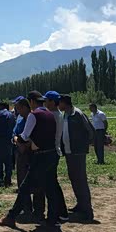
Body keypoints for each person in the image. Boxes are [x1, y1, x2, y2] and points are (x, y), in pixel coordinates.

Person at [0, 93, 62, 228]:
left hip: (40, 156)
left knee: (25, 187)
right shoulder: (50, 114)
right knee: (50, 187)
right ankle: (53, 218)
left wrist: (16, 139)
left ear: (31, 101)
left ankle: (11, 217)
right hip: (52, 154)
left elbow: (24, 136)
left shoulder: (34, 115)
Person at [59, 95, 95, 221]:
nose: (58, 105)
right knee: (74, 178)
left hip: (78, 152)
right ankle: (80, 204)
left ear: (65, 103)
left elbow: (90, 131)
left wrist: (83, 145)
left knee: (81, 180)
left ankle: (87, 210)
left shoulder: (78, 114)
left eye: (60, 103)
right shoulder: (64, 115)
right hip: (69, 152)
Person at [42, 91, 69, 222]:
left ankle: (56, 214)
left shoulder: (52, 115)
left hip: (51, 151)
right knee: (53, 184)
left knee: (51, 185)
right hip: (55, 151)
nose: (45, 103)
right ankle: (61, 212)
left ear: (52, 102)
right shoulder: (57, 114)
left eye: (46, 101)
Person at [0, 100, 15, 187]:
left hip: (1, 139)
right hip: (9, 140)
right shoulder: (11, 115)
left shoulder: (0, 114)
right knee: (8, 161)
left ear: (1, 106)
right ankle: (8, 180)